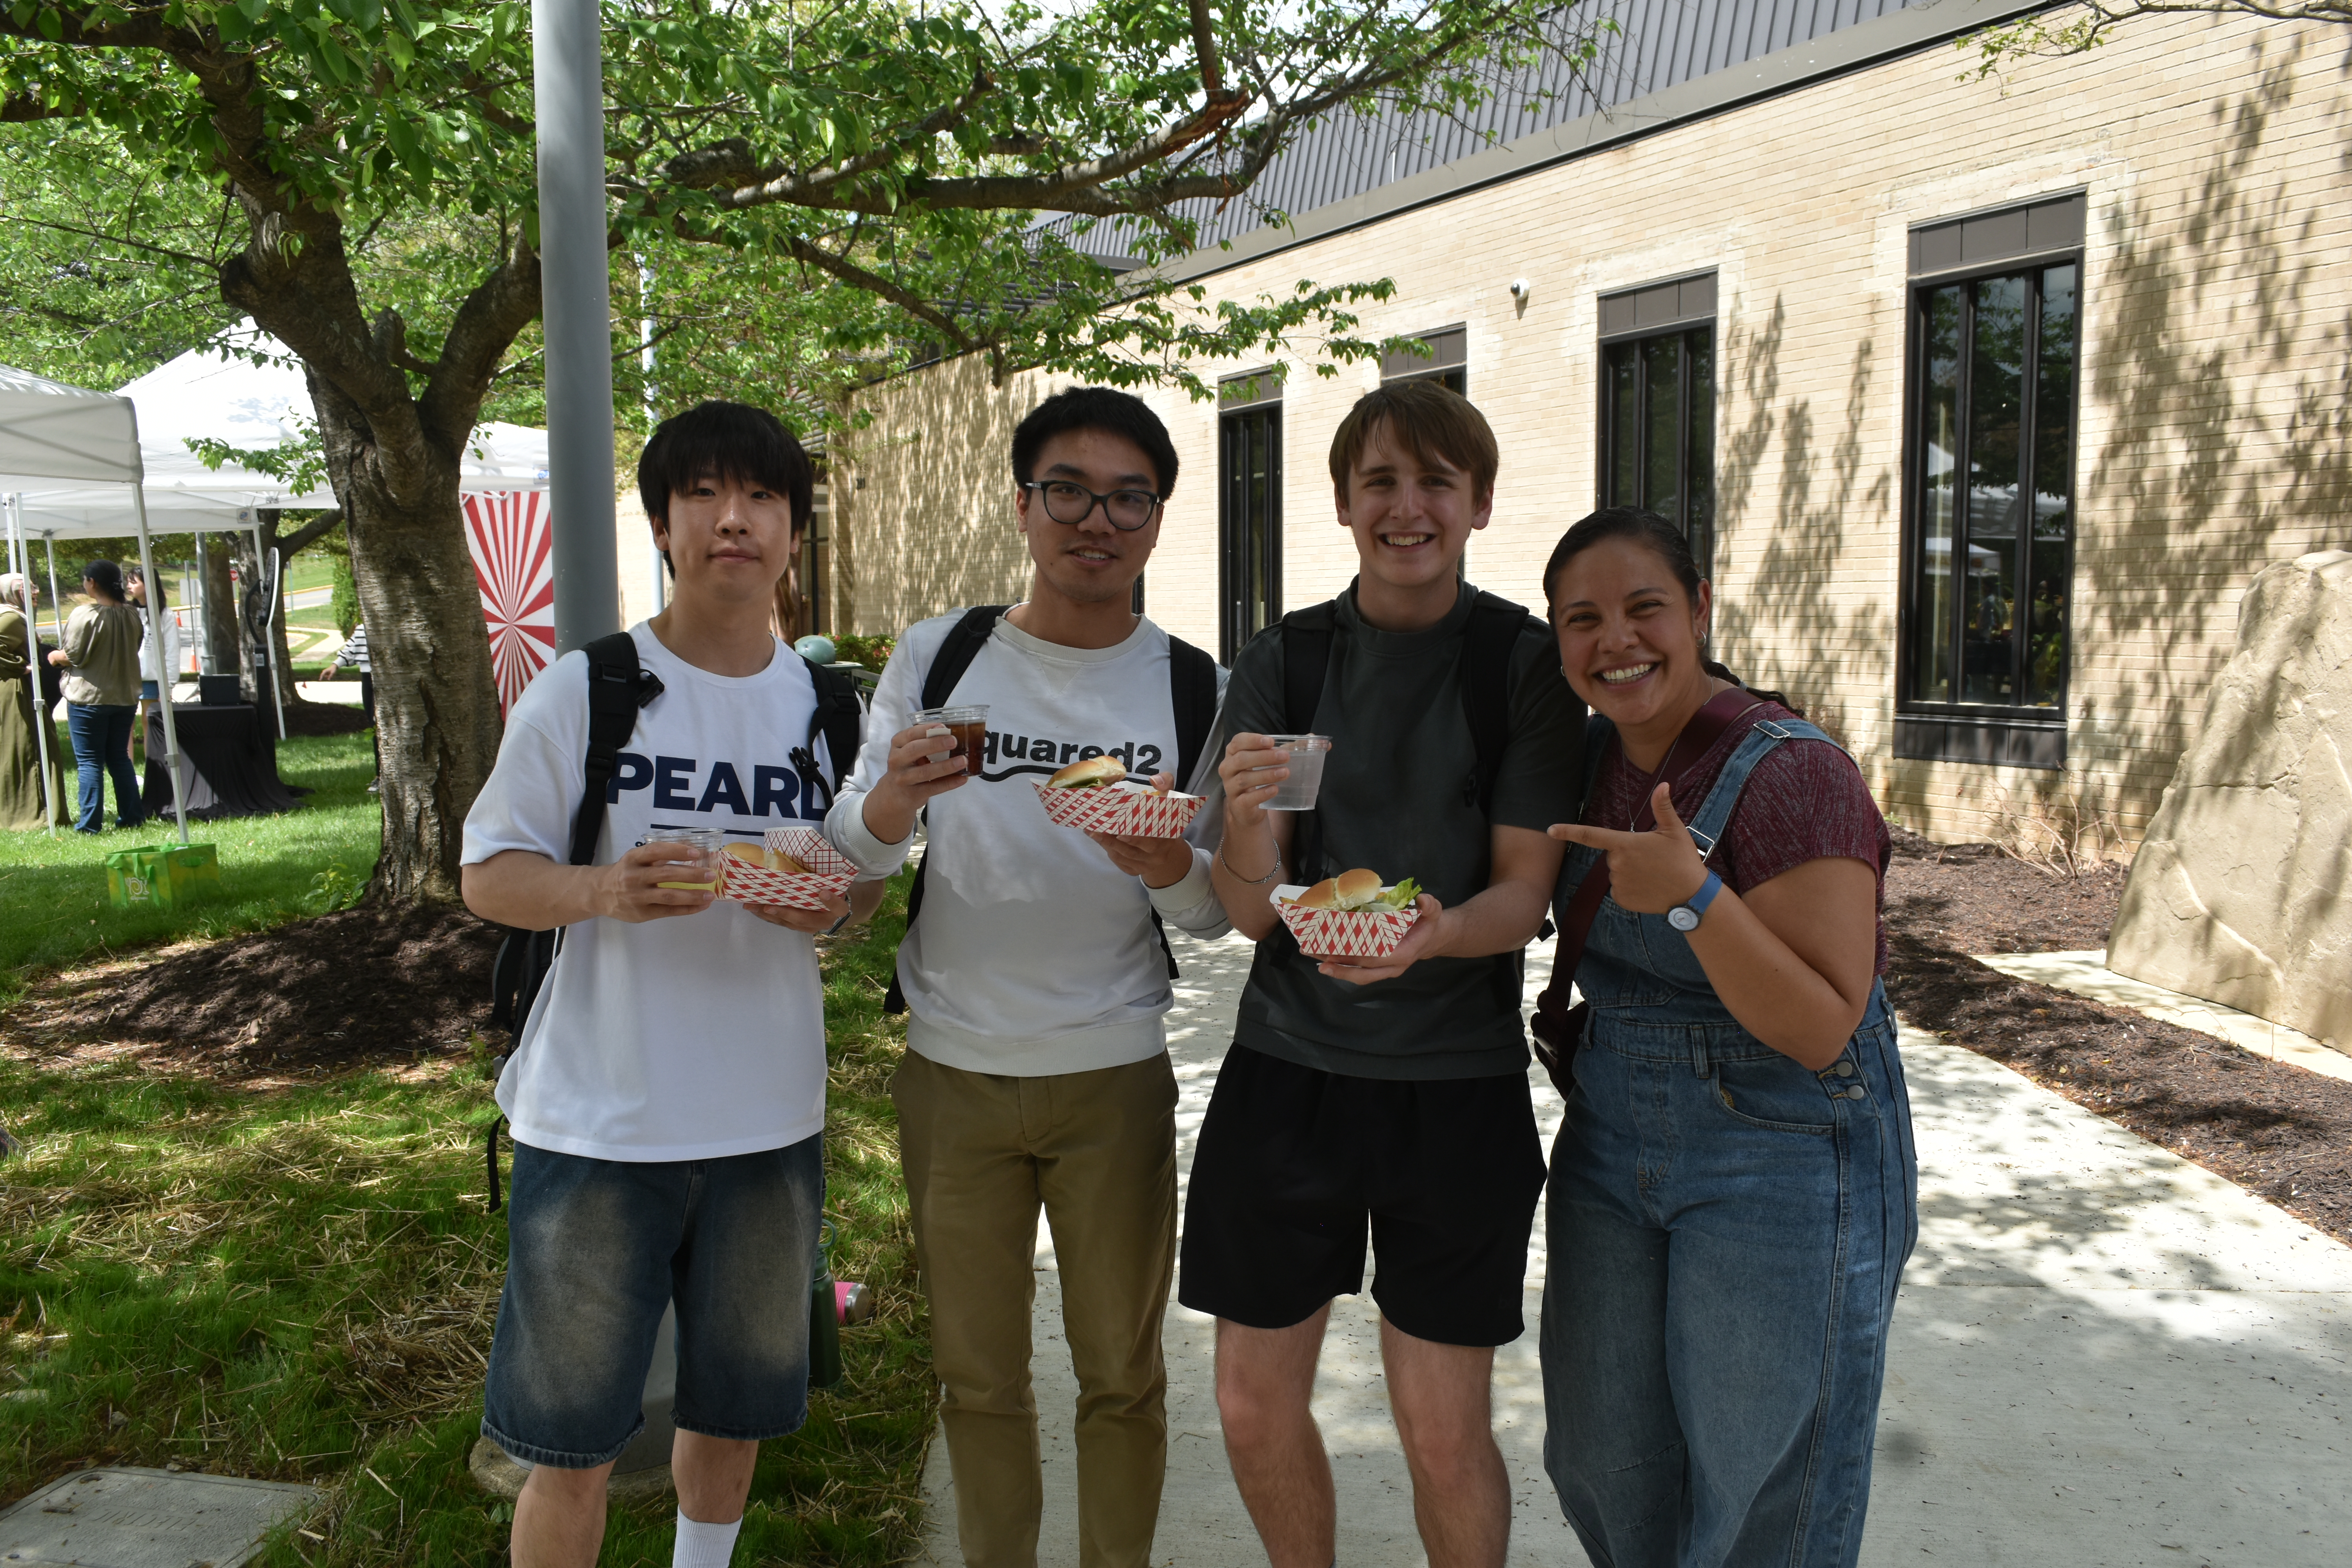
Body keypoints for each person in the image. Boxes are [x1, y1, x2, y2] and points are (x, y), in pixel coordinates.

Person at [460, 400, 884, 1568]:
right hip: (598, 1125)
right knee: (571, 1444)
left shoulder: (831, 711)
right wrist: (603, 891)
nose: (731, 519)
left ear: (795, 528)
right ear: (662, 524)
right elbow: (488, 875)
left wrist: (833, 904)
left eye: (759, 497)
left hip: (765, 1124)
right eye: (700, 493)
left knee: (734, 1416)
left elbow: (854, 902)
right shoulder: (587, 688)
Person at [824, 386, 1229, 1568]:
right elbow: (854, 843)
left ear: (1155, 519)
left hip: (1112, 1073)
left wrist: (1162, 861)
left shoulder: (1188, 684)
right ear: (1023, 504)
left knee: (1121, 1374)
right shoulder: (940, 653)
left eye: (1126, 498)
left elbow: (1207, 917)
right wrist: (894, 796)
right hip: (951, 1073)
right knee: (977, 1377)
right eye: (1067, 490)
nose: (1094, 520)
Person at [1187, 380, 1583, 1568]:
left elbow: (1525, 892)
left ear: (1477, 504)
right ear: (1344, 502)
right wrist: (1249, 822)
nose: (1405, 507)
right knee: (1252, 1405)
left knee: (1441, 1430)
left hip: (1452, 1086)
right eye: (1379, 482)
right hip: (1287, 1073)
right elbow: (1254, 908)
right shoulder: (1290, 660)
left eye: (1433, 483)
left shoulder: (1515, 666)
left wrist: (1429, 935)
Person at [1535, 506, 1916, 1568]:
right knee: (1606, 1463)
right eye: (1584, 619)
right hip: (1614, 1134)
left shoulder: (1794, 774)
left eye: (1645, 608)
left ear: (1700, 609)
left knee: (1762, 1495)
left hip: (1785, 1142)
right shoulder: (1580, 761)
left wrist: (1695, 896)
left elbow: (1823, 1022)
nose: (1617, 640)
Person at [47, 560, 144, 835]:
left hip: (89, 698)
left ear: (92, 582)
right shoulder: (131, 614)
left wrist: (53, 656)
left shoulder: (84, 614)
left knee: (90, 762)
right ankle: (133, 817)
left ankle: (89, 825)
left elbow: (72, 655)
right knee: (119, 759)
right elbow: (136, 647)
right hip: (124, 697)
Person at [0, 574, 67, 829]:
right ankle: (27, 813)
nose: (34, 593)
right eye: (25, 590)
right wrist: (19, 667)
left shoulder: (14, 615)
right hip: (15, 692)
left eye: (34, 588)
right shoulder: (11, 617)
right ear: (10, 593)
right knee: (27, 748)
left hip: (17, 689)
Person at [125, 565, 179, 760]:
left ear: (149, 584)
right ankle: (127, 767)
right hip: (128, 679)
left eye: (134, 582)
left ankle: (152, 764)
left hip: (151, 679)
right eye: (128, 581)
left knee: (150, 722)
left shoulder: (165, 615)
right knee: (126, 723)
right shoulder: (126, 612)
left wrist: (168, 685)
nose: (129, 586)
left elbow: (172, 652)